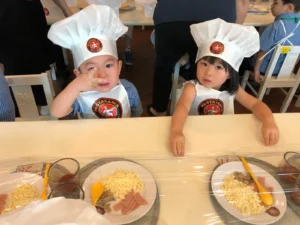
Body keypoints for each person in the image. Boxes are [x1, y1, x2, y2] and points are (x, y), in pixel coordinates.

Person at [170, 19, 280, 157]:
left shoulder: (233, 89)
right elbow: (182, 109)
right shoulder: (192, 88)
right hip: (194, 136)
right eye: (204, 64)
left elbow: (256, 104)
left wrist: (268, 121)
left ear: (229, 74)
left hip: (224, 138)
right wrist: (176, 131)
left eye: (218, 67)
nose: (209, 72)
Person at [147, 0, 250, 116]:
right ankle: (200, 110)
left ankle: (159, 110)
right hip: (217, 16)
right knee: (206, 66)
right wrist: (232, 30)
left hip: (170, 15)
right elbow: (242, 2)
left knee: (164, 67)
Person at [48, 5, 142, 119]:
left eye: (108, 65)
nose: (102, 74)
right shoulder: (78, 96)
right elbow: (56, 112)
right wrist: (76, 86)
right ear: (78, 74)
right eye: (91, 68)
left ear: (119, 67)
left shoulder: (128, 89)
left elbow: (137, 117)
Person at [0, 0, 72, 113]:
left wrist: (70, 14)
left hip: (27, 17)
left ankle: (29, 119)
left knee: (33, 73)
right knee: (10, 74)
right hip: (11, 18)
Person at [254, 0, 300, 83]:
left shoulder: (275, 26)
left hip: (265, 70)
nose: (272, 5)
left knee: (246, 53)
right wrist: (291, 67)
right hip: (286, 71)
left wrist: (256, 70)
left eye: (275, 3)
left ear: (289, 7)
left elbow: (261, 53)